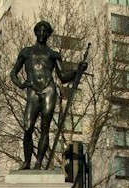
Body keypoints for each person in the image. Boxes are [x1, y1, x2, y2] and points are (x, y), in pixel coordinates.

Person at [10, 21, 87, 170]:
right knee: (27, 127)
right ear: (36, 32)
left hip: (49, 90)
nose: (42, 33)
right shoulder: (26, 52)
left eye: (45, 31)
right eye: (40, 30)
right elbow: (13, 72)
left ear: (49, 34)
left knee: (45, 127)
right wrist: (19, 83)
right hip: (32, 89)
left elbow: (63, 76)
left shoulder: (53, 54)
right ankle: (27, 163)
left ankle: (38, 163)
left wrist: (78, 70)